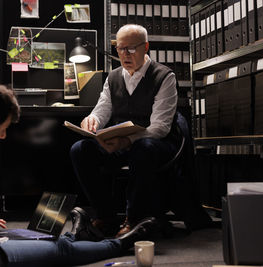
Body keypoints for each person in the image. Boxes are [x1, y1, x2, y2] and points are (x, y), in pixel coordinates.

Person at [0, 83, 157, 267]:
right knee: (60, 250)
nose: (3, 136)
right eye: (2, 129)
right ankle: (120, 244)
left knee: (49, 240)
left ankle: (77, 235)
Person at [70, 24, 183, 238]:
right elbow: (102, 109)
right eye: (120, 49)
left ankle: (134, 218)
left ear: (146, 47)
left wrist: (127, 141)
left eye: (131, 49)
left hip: (156, 144)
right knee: (80, 149)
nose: (124, 54)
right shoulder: (113, 78)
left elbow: (160, 127)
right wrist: (92, 120)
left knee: (143, 148)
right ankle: (106, 215)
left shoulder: (164, 76)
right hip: (121, 142)